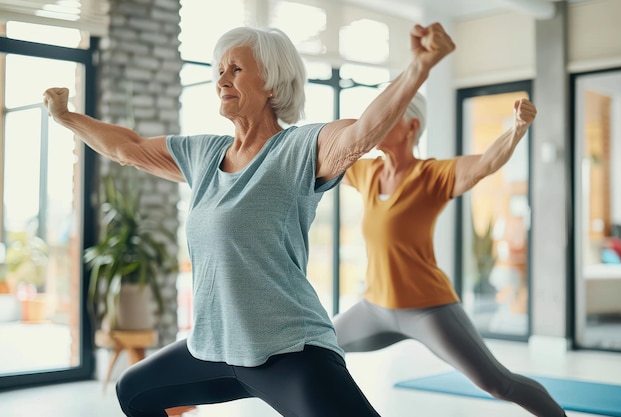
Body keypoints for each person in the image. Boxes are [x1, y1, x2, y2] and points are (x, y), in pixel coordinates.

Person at [43, 22, 455, 417]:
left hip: (288, 350)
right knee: (135, 391)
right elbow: (128, 147)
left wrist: (418, 67)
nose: (222, 80)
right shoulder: (204, 154)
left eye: (236, 70)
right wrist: (67, 117)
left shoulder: (300, 148)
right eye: (220, 70)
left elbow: (362, 132)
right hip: (213, 350)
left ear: (272, 83)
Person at [333, 92, 567, 417]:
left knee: (498, 383)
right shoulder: (367, 172)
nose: (376, 122)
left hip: (428, 310)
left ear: (411, 127)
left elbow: (485, 163)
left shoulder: (432, 176)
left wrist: (517, 129)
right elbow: (324, 154)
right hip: (374, 308)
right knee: (317, 348)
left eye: (388, 116)